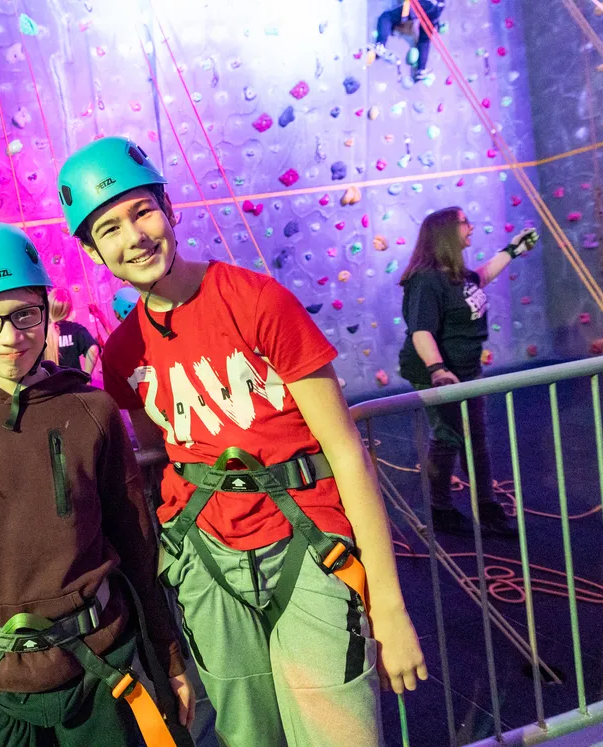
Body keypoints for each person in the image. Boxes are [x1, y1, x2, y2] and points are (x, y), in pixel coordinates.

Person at [58, 136, 427, 746]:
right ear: (95, 250)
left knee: (341, 734)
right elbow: (161, 451)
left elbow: (344, 450)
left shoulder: (259, 304)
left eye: (142, 211)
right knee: (247, 736)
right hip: (208, 562)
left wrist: (388, 604)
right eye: (109, 228)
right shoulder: (124, 352)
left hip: (305, 547)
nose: (134, 237)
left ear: (169, 208)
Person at [0, 223, 194, 747]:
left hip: (99, 673)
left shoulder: (91, 411)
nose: (9, 337)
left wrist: (168, 657)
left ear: (46, 311)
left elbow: (138, 547)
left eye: (24, 313)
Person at [398, 207, 538, 537]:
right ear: (447, 232)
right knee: (447, 439)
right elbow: (421, 331)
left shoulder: (455, 274)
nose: (471, 227)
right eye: (464, 223)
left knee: (476, 438)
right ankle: (441, 509)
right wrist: (438, 370)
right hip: (439, 371)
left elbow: (482, 277)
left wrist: (512, 250)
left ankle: (486, 506)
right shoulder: (426, 281)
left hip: (466, 369)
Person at [373, 0, 446, 81]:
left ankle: (380, 45)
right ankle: (421, 69)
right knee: (425, 39)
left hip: (424, 3)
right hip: (438, 7)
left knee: (386, 17)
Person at [44, 288, 100, 375]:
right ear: (69, 308)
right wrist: (87, 375)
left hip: (51, 386)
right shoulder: (76, 330)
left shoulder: (43, 334)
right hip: (74, 384)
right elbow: (93, 350)